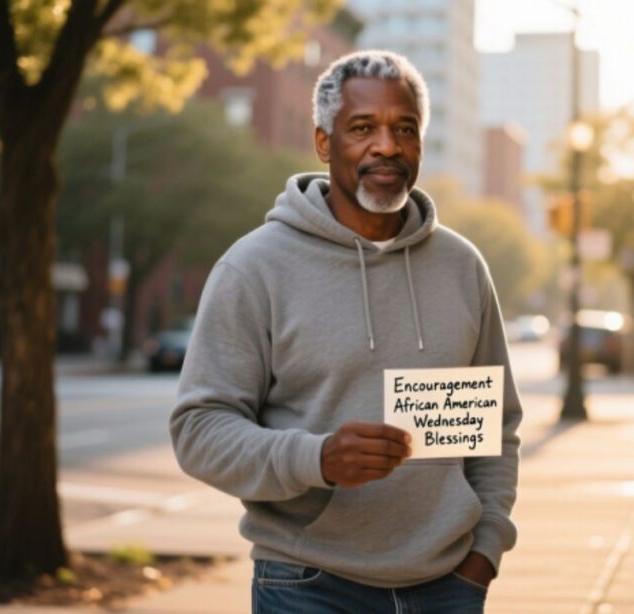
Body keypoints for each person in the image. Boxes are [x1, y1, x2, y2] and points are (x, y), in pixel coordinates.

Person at [170, 50, 522, 613]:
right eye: (363, 128)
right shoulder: (255, 268)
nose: (387, 145)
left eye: (404, 128)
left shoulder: (463, 266)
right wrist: (317, 459)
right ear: (324, 142)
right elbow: (198, 429)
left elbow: (496, 428)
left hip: (449, 586)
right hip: (310, 584)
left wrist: (485, 551)